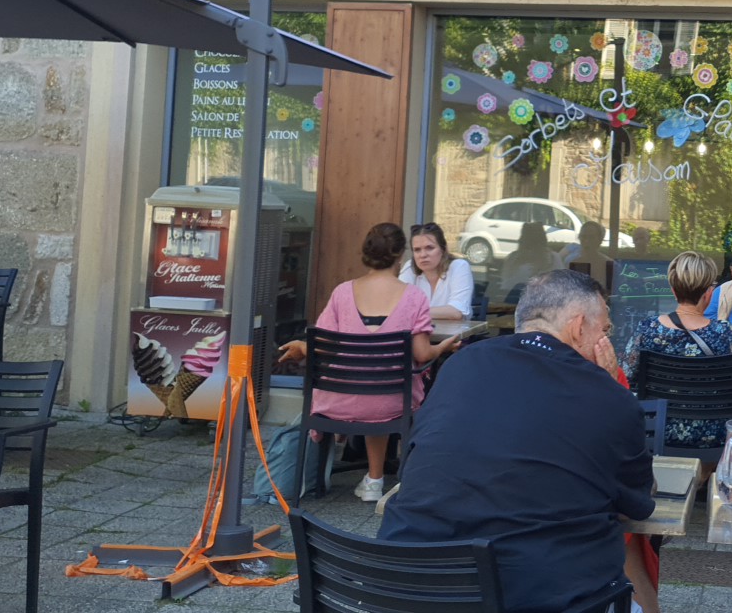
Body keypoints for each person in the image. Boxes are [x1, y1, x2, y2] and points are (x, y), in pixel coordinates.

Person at [379, 270, 654, 613]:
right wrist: (609, 388)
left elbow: (414, 466)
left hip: (410, 587)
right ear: (579, 326)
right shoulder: (608, 396)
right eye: (605, 330)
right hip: (540, 596)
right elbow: (637, 502)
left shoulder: (460, 364)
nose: (607, 341)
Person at [277, 223, 464, 502]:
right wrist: (444, 346)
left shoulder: (342, 292)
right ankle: (375, 480)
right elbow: (423, 355)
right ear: (400, 255)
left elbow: (324, 347)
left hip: (337, 399)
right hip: (391, 401)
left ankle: (332, 476)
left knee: (364, 383)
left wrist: (303, 347)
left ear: (366, 253)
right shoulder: (414, 297)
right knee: (379, 388)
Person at [621, 250, 732, 449]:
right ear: (709, 293)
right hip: (716, 438)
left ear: (673, 291)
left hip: (658, 434)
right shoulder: (725, 333)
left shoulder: (647, 329)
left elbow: (625, 377)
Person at [399, 222, 473, 321]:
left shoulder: (458, 266)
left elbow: (456, 312)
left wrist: (413, 312)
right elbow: (397, 306)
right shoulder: (410, 268)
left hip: (451, 331)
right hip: (417, 330)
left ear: (443, 249)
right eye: (417, 250)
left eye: (429, 248)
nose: (423, 255)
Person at [497, 220, 561, 304]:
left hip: (510, 305)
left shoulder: (512, 258)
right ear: (544, 240)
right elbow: (562, 285)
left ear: (522, 239)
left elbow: (505, 285)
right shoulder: (553, 258)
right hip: (539, 305)